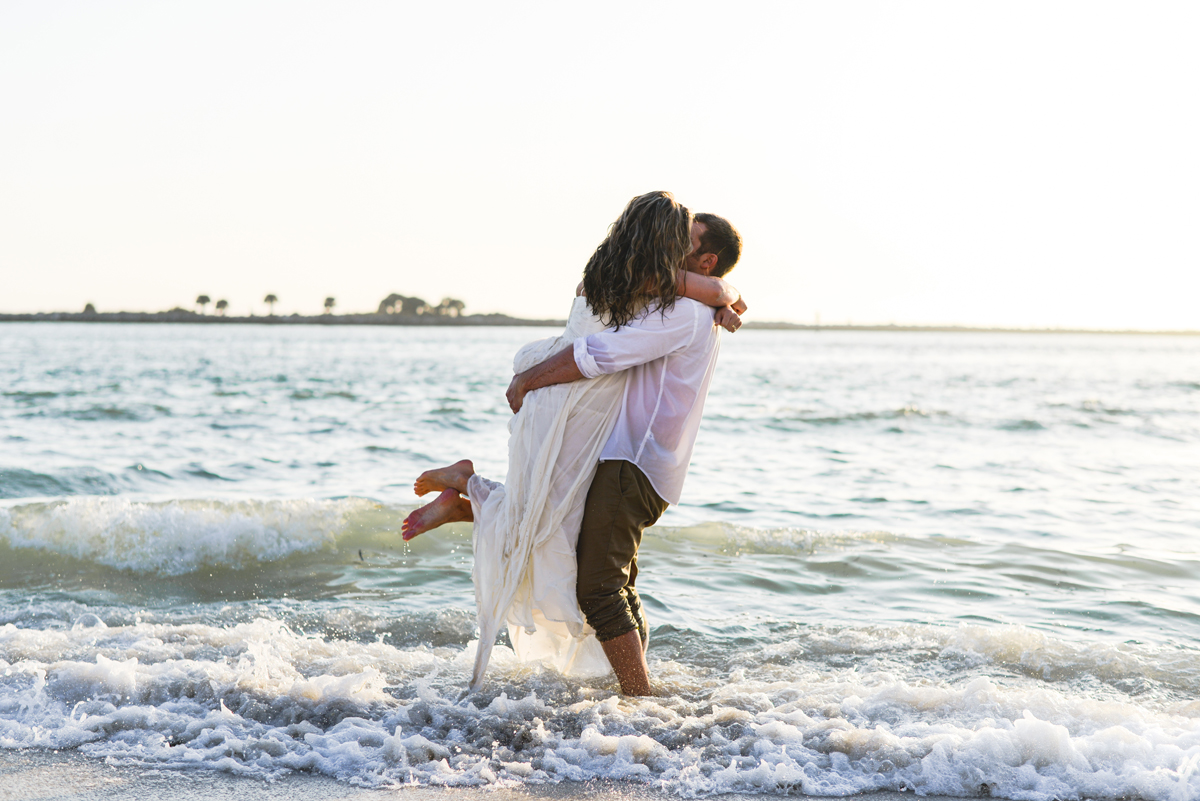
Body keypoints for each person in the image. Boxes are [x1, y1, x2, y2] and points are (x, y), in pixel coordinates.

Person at [402, 192, 744, 693]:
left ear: (705, 259)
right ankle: (640, 693)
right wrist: (725, 294)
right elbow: (605, 337)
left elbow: (598, 353)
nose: (674, 249)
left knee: (592, 572)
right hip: (612, 440)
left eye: (685, 243)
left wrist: (527, 381)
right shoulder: (676, 299)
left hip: (631, 457)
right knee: (589, 559)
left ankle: (639, 693)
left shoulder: (679, 309)